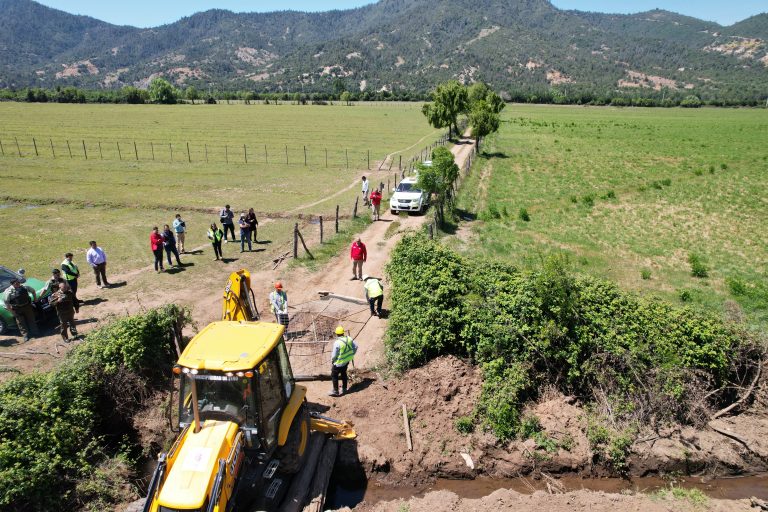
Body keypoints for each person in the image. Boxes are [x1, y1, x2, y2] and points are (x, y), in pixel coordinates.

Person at [329, 325, 357, 397]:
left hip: (339, 363)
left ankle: (335, 391)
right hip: (346, 361)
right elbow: (356, 346)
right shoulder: (349, 338)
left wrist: (332, 360)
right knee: (343, 373)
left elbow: (334, 355)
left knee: (334, 375)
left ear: (336, 334)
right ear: (343, 333)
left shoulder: (337, 342)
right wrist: (351, 354)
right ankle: (344, 388)